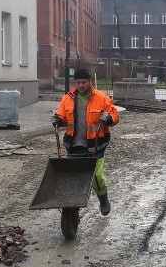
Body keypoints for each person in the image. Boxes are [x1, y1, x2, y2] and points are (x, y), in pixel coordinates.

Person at [51, 68, 120, 216]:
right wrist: (58, 120)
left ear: (89, 82)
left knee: (98, 176)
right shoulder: (67, 99)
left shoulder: (102, 98)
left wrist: (109, 119)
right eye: (78, 83)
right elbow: (62, 118)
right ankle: (72, 209)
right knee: (73, 178)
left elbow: (114, 115)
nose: (80, 86)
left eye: (83, 82)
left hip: (96, 145)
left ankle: (103, 198)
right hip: (74, 145)